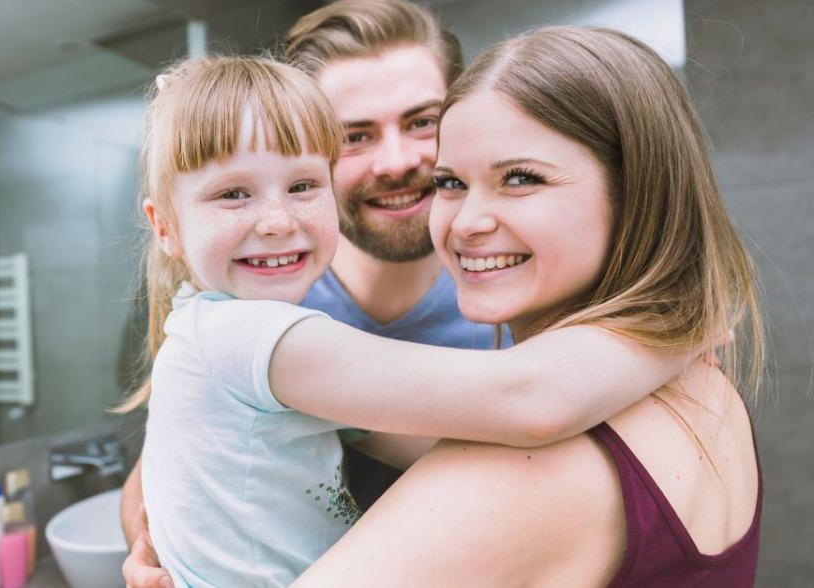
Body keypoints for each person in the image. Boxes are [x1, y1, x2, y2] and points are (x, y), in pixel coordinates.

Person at [120, 54, 698, 587]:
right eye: (232, 195)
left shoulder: (222, 327)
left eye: (302, 186)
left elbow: (438, 454)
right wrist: (677, 330)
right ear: (164, 227)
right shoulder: (255, 337)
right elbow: (528, 400)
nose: (276, 220)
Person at [289, 26, 763, 585]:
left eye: (520, 178)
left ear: (636, 189)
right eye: (450, 182)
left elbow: (530, 414)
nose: (466, 223)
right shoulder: (704, 387)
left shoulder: (530, 467)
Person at [121, 6, 484, 577]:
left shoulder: (519, 286)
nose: (398, 161)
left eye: (422, 122)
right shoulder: (261, 299)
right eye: (355, 136)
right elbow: (158, 477)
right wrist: (151, 551)